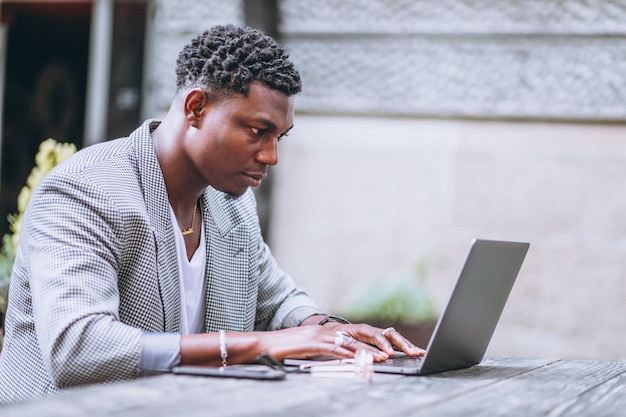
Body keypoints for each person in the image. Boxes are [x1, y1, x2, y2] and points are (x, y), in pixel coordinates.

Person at [0, 24, 423, 403]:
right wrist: (259, 345)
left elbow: (276, 300)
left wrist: (331, 331)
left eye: (281, 137)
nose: (272, 156)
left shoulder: (229, 202)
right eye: (258, 131)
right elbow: (80, 347)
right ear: (196, 108)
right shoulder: (85, 191)